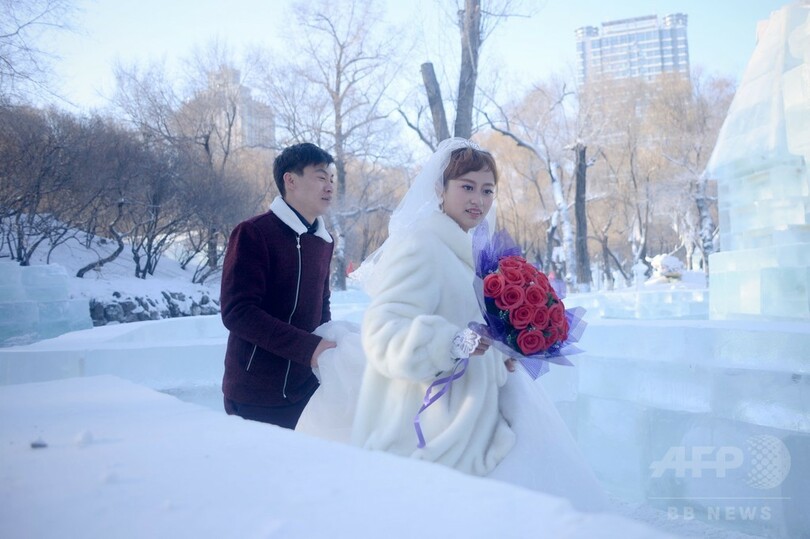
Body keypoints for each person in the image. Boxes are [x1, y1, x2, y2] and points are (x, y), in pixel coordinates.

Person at [296, 138, 607, 512]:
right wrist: (451, 343)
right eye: (467, 187)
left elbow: (473, 323)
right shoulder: (421, 246)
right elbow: (382, 330)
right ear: (440, 190)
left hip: (480, 402)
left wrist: (502, 350)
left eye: (487, 189)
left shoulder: (470, 250)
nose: (478, 199)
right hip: (435, 414)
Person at [220, 142, 337, 429]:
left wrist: (326, 346)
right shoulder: (254, 233)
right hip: (255, 393)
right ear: (291, 180)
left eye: (332, 179)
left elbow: (321, 305)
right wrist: (308, 348)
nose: (330, 186)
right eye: (321, 177)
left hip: (306, 388)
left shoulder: (324, 241)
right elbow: (238, 311)